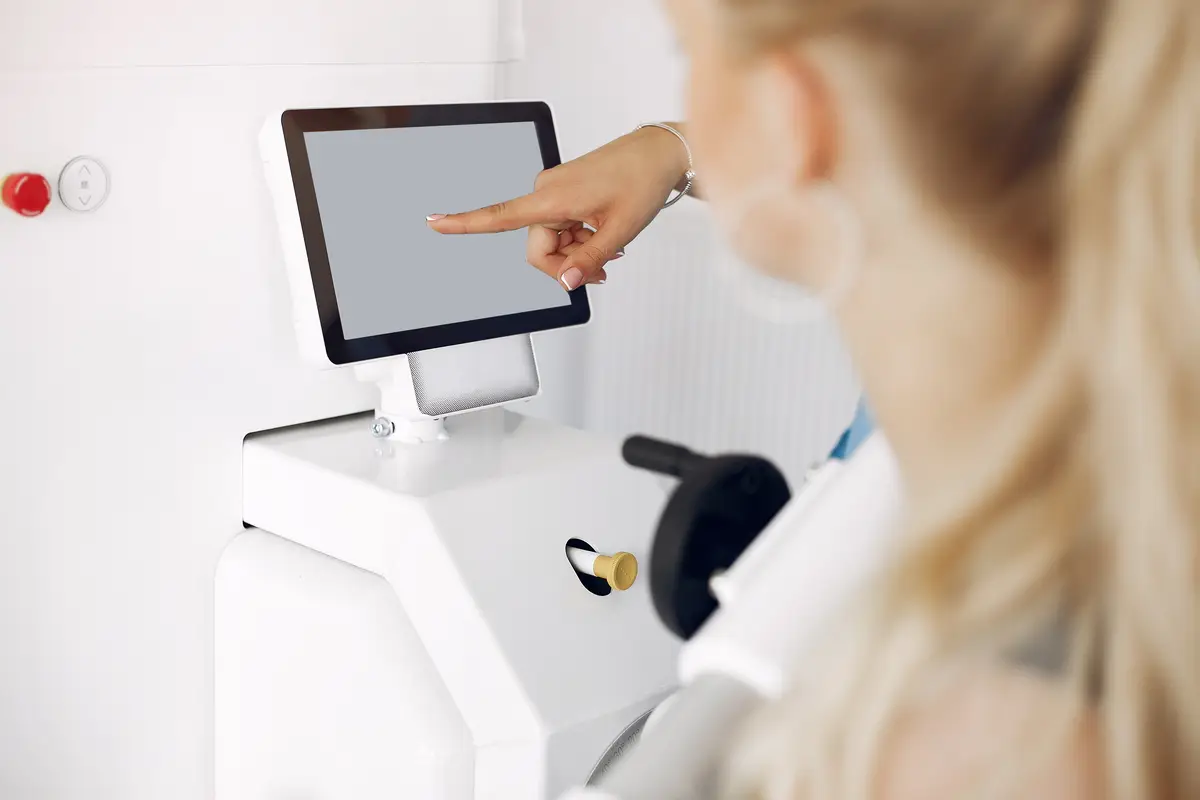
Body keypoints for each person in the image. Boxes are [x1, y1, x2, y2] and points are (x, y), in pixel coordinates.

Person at [432, 0, 1199, 797]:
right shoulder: (1115, 456)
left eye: (684, 53)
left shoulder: (960, 755)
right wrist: (678, 153)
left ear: (794, 117)